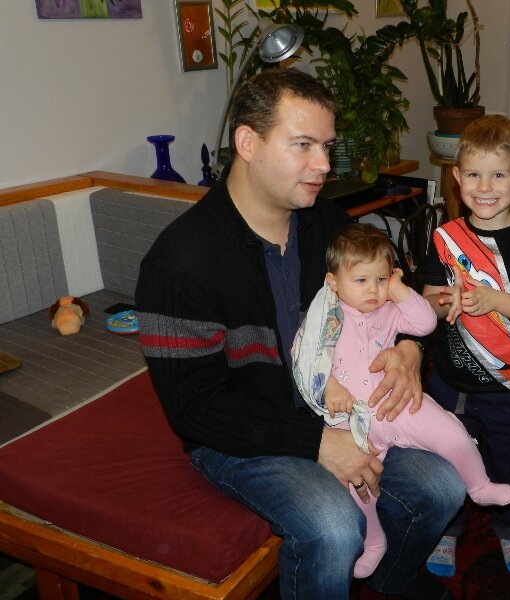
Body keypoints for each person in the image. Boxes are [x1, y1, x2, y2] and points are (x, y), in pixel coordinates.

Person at [134, 68, 464, 600]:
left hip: (343, 408)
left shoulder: (325, 223)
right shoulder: (180, 264)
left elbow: (390, 291)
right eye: (303, 145)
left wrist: (409, 348)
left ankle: (391, 580)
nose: (324, 165)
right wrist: (317, 443)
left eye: (326, 146)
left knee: (443, 486)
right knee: (333, 528)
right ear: (248, 143)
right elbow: (194, 409)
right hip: (239, 435)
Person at [291, 223, 510, 579]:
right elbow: (305, 356)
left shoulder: (390, 308)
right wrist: (329, 385)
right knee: (357, 485)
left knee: (451, 433)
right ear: (333, 282)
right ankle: (374, 542)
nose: (373, 290)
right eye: (361, 281)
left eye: (381, 279)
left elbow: (424, 323)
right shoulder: (326, 317)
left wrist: (399, 290)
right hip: (353, 421)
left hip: (397, 403)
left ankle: (479, 485)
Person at [421, 114, 510, 577]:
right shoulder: (445, 239)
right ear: (457, 177)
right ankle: (448, 528)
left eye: (498, 175)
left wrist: (496, 300)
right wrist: (446, 300)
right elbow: (426, 304)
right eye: (474, 175)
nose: (485, 187)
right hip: (448, 380)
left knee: (509, 460)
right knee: (446, 458)